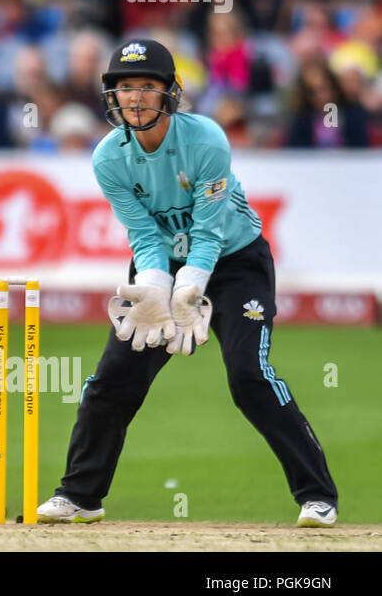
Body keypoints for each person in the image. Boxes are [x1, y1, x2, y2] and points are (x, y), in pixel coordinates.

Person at [37, 39, 339, 527]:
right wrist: (158, 288)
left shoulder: (206, 141)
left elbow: (209, 230)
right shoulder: (108, 158)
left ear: (170, 93)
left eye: (146, 87)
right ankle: (80, 495)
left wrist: (191, 286)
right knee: (112, 380)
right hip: (162, 267)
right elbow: (143, 235)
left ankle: (317, 496)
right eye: (124, 87)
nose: (133, 97)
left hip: (236, 262)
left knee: (248, 375)